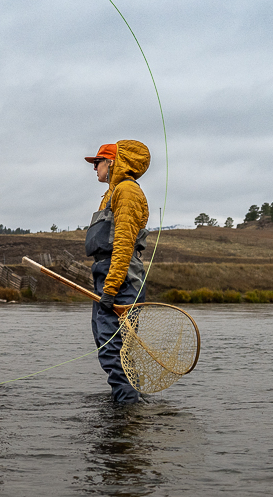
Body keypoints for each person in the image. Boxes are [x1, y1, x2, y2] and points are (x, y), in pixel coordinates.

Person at [84, 140, 151, 405]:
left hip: (121, 281)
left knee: (114, 348)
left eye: (97, 162)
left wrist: (111, 289)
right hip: (108, 277)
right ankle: (128, 405)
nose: (94, 168)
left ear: (112, 163)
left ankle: (128, 411)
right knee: (112, 346)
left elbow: (123, 243)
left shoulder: (126, 190)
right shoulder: (113, 193)